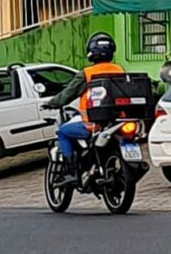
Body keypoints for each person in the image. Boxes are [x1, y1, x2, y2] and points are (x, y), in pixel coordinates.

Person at [42, 32, 124, 181]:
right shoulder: (119, 70)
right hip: (117, 121)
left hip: (92, 125)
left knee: (63, 132)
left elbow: (67, 95)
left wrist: (51, 103)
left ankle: (72, 171)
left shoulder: (87, 73)